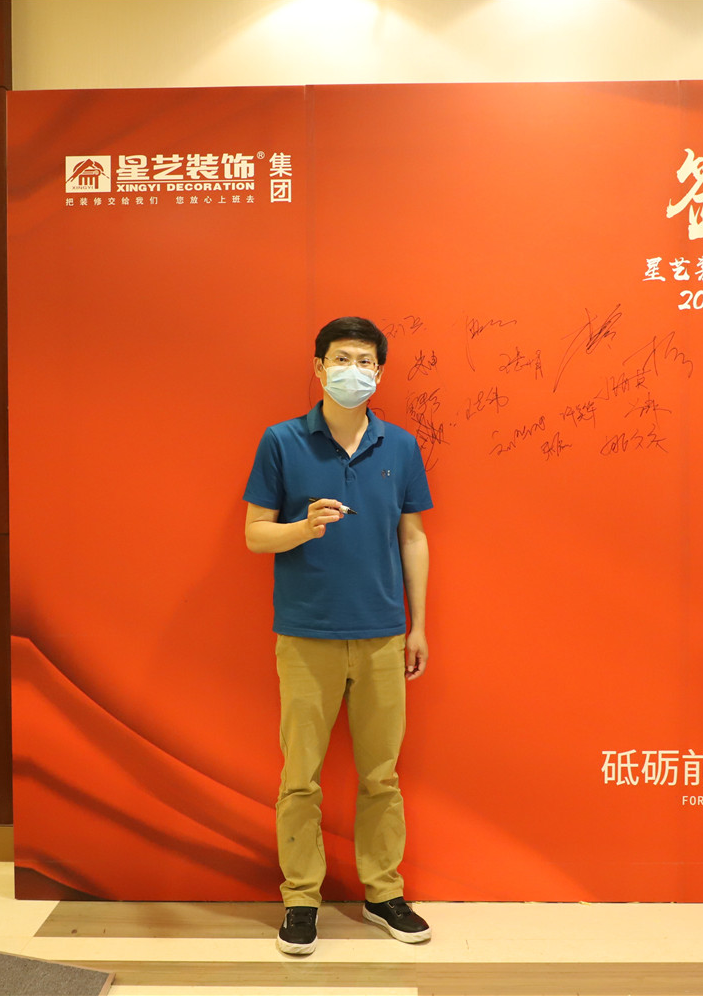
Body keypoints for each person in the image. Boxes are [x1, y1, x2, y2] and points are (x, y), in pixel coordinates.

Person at [243, 316, 434, 957]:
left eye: (366, 361)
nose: (355, 370)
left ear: (380, 372)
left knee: (382, 775)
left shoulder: (399, 445)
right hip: (306, 634)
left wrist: (418, 625)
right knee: (300, 776)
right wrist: (304, 527)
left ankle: (383, 893)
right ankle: (301, 899)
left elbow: (413, 537)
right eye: (342, 358)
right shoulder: (282, 440)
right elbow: (255, 534)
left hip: (382, 634)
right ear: (319, 366)